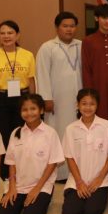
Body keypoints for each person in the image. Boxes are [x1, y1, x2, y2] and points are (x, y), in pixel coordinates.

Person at [0, 20, 36, 183]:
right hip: (0, 99)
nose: (6, 36)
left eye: (10, 33)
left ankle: (23, 170)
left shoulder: (28, 55)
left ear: (17, 35)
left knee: (23, 135)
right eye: (3, 33)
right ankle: (6, 174)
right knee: (4, 136)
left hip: (22, 98)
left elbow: (31, 81)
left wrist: (34, 104)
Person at [0, 94, 64, 214]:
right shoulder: (16, 133)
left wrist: (37, 189)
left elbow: (52, 164)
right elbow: (11, 163)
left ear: (41, 110)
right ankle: (21, 201)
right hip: (19, 186)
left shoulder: (50, 133)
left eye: (33, 109)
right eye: (25, 110)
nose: (29, 113)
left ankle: (43, 199)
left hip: (41, 186)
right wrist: (12, 188)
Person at [35, 11, 82, 181]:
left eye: (72, 26)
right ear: (57, 28)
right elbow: (42, 74)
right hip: (57, 101)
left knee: (77, 134)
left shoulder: (81, 45)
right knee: (59, 133)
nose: (69, 29)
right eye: (65, 26)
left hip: (79, 100)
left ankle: (77, 170)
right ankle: (60, 173)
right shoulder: (48, 47)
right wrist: (46, 98)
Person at [61, 89, 108, 214]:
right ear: (77, 105)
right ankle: (78, 196)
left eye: (92, 104)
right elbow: (69, 158)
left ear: (97, 106)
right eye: (84, 103)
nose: (88, 107)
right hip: (77, 181)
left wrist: (99, 179)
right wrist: (79, 183)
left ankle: (99, 195)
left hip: (100, 181)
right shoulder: (70, 129)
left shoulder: (106, 126)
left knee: (92, 212)